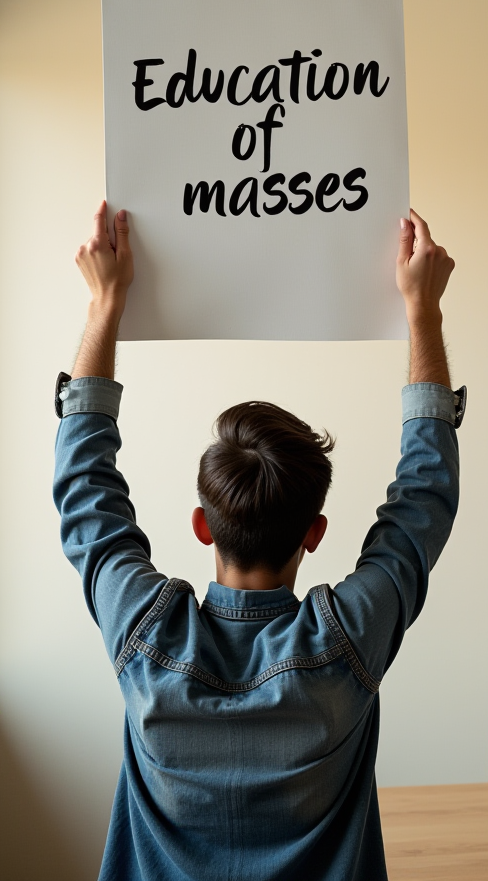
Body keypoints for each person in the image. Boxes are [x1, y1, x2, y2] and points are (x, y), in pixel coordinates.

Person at [53, 202, 465, 881]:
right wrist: (422, 312)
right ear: (316, 533)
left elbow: (83, 490)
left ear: (202, 525)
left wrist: (105, 304)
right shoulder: (348, 642)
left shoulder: (144, 634)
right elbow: (425, 499)